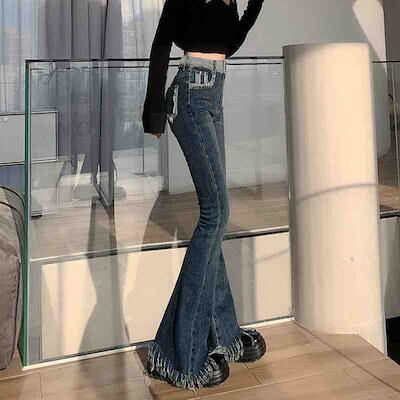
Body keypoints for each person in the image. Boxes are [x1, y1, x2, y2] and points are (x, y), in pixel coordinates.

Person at [142, 0, 267, 392]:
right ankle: (179, 353)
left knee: (216, 218)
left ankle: (225, 335)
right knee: (216, 213)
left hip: (214, 96)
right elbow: (162, 40)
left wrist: (254, 6)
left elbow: (229, 44)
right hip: (191, 95)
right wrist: (153, 108)